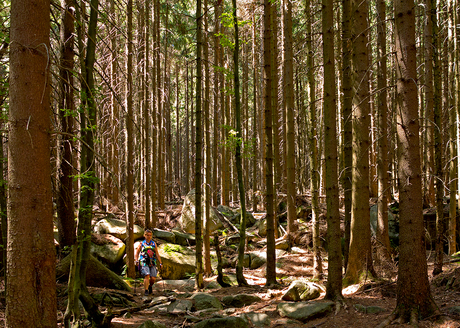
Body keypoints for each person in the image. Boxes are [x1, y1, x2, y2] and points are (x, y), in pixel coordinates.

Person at [135, 229, 163, 296]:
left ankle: (150, 286)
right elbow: (137, 253)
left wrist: (160, 262)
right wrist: (136, 260)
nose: (149, 237)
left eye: (150, 235)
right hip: (144, 261)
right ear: (144, 235)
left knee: (153, 278)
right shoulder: (141, 244)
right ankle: (146, 290)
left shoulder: (154, 244)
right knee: (147, 275)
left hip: (152, 261)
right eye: (147, 235)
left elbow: (157, 253)